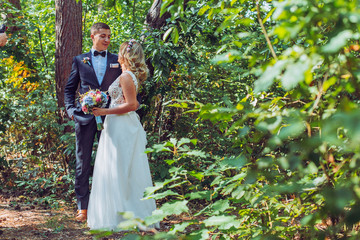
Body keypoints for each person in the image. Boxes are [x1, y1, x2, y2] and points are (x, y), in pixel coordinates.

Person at [87, 40, 158, 230]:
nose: (116, 56)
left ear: (124, 56)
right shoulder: (128, 75)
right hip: (118, 124)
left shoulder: (126, 76)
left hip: (122, 125)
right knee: (120, 167)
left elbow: (132, 105)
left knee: (119, 167)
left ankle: (121, 216)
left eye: (119, 52)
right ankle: (121, 213)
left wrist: (104, 112)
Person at [64, 22, 122, 222]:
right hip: (85, 118)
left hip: (111, 118)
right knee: (83, 162)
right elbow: (69, 89)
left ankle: (111, 205)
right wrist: (72, 111)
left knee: (112, 162)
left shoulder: (118, 60)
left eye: (109, 36)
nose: (107, 40)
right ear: (93, 37)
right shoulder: (79, 60)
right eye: (103, 36)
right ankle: (83, 208)